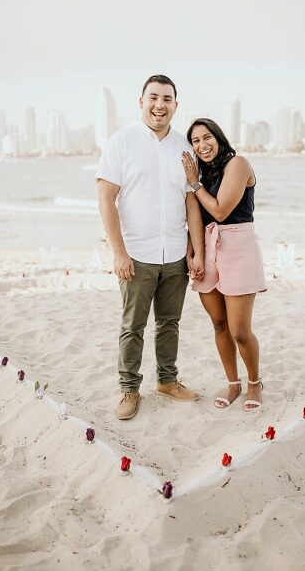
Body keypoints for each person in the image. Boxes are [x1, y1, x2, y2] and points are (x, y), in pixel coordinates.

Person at [96, 75, 204, 421]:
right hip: (137, 254)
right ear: (141, 101)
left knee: (170, 322)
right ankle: (129, 389)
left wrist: (195, 250)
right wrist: (118, 252)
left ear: (176, 105)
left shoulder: (184, 147)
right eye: (153, 97)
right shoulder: (121, 142)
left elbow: (191, 201)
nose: (160, 105)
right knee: (133, 325)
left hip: (175, 253)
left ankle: (167, 382)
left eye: (167, 99)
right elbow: (106, 198)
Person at [182, 118, 267, 411]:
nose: (202, 145)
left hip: (238, 246)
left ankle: (254, 383)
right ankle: (233, 383)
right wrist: (192, 253)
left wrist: (194, 183)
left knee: (239, 330)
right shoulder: (200, 174)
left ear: (218, 138)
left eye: (207, 137)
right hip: (207, 246)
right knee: (219, 323)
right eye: (195, 141)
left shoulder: (238, 164)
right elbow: (193, 216)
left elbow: (219, 211)